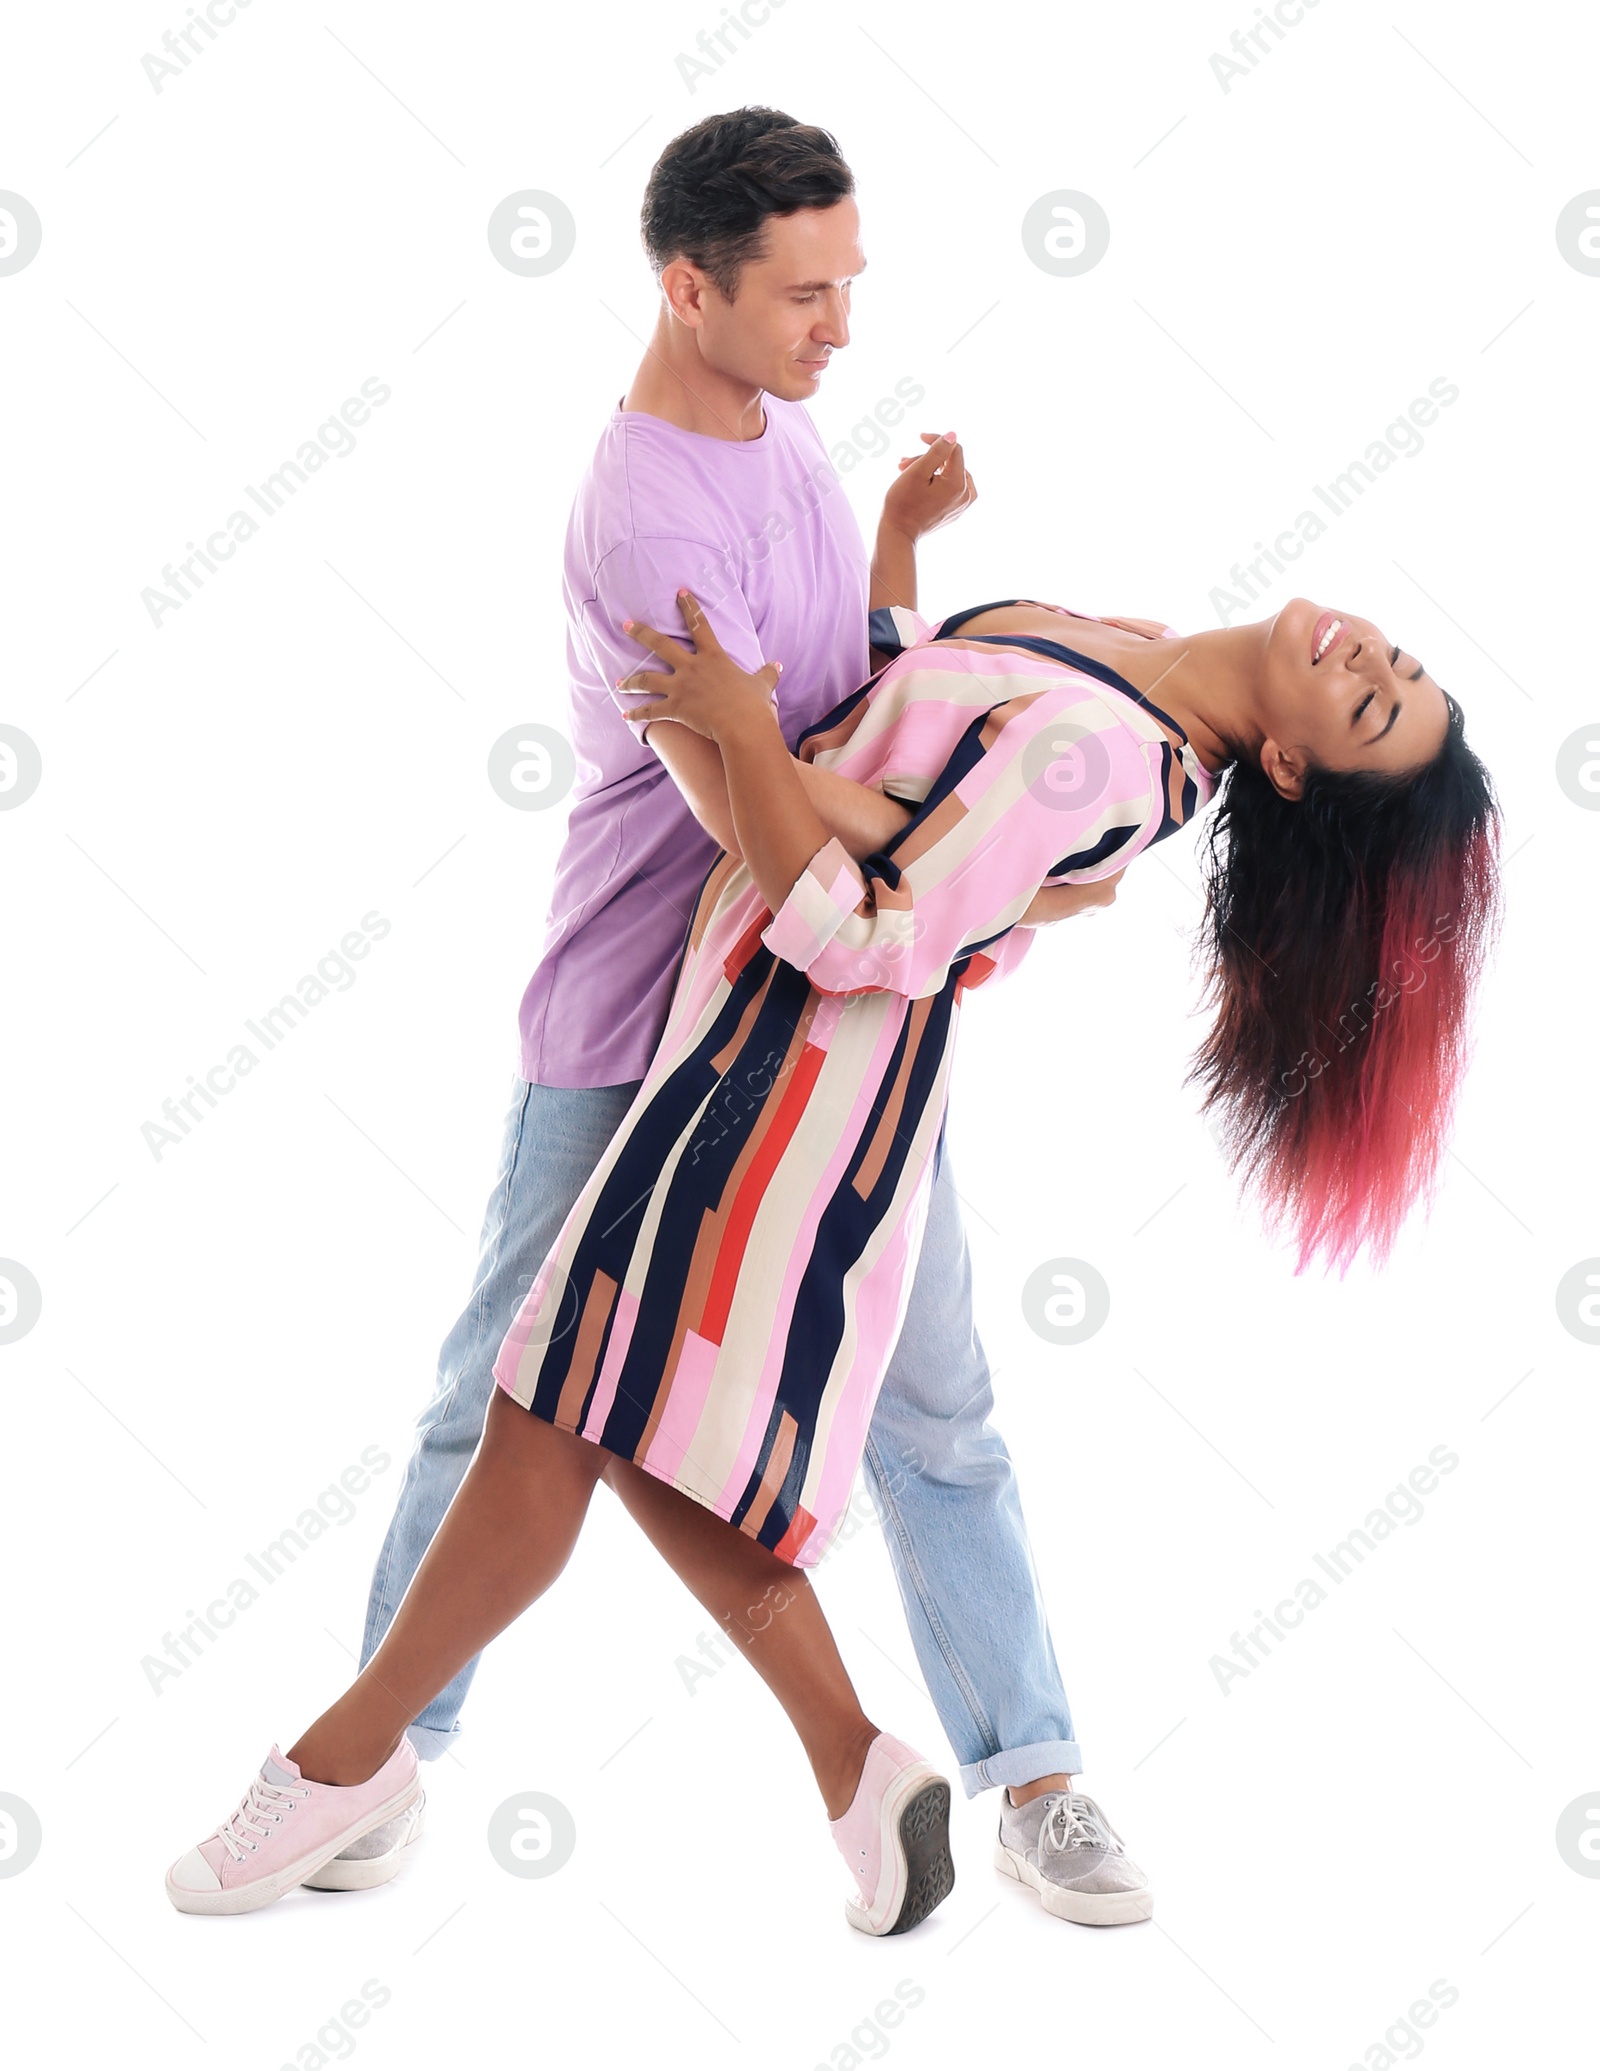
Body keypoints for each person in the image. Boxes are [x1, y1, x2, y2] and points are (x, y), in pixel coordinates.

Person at [164, 587, 1500, 1930]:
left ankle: (349, 1763)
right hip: (771, 1046)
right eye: (1400, 657)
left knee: (563, 1399)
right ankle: (849, 1766)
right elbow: (918, 783)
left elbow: (879, 925)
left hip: (785, 1065)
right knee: (596, 1407)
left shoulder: (1110, 754)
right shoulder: (1125, 655)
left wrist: (750, 748)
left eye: (1373, 703)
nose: (1370, 655)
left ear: (1289, 765)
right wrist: (894, 628)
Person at [334, 104, 1149, 1923]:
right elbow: (765, 810)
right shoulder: (638, 522)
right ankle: (375, 1765)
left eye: (850, 286)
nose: (838, 329)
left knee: (935, 1406)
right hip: (642, 1015)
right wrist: (1013, 867)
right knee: (501, 1403)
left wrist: (890, 553)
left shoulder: (782, 438)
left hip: (827, 1027)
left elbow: (839, 712)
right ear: (686, 288)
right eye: (805, 295)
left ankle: (1036, 1780)